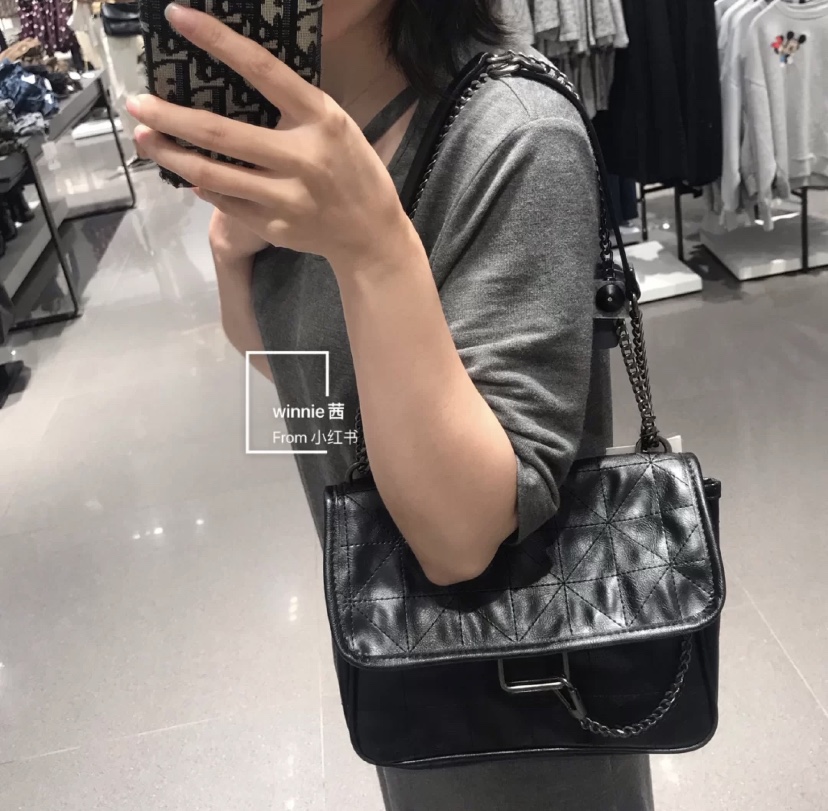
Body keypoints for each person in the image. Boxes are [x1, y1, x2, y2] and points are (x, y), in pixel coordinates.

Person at [126, 1, 655, 808]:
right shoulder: (309, 139)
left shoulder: (515, 134)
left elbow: (460, 540)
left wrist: (374, 250)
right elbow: (303, 375)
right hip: (401, 666)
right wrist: (232, 257)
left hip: (536, 707)